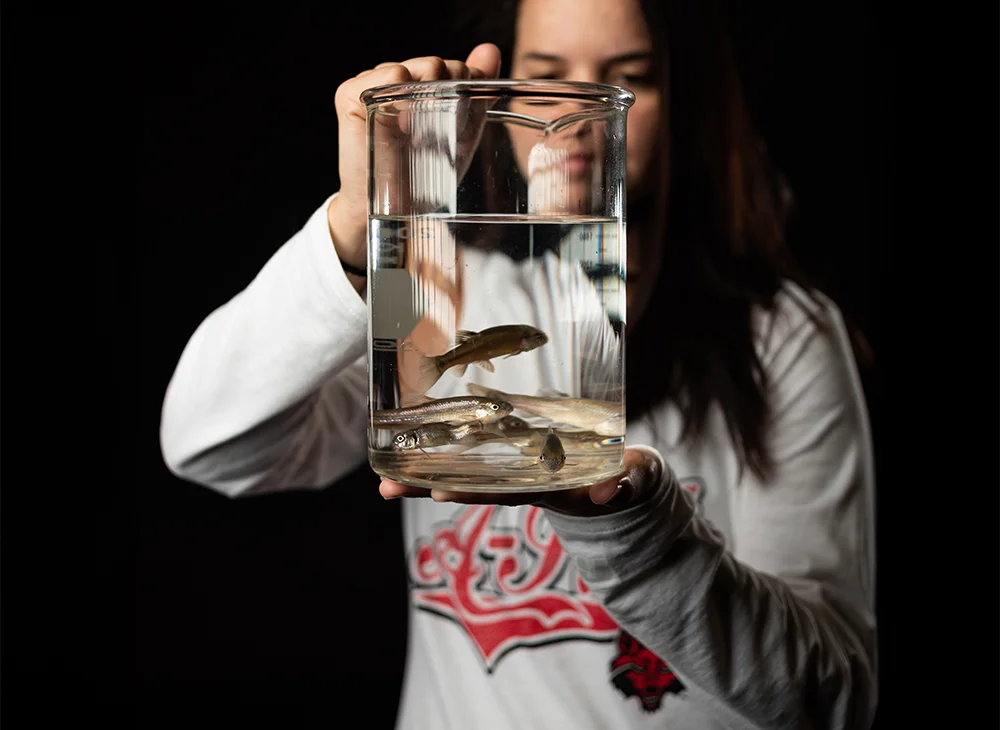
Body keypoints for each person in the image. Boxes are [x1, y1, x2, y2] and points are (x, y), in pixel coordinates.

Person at [159, 0, 878, 728]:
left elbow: (835, 699)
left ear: (682, 102)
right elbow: (210, 446)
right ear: (498, 102)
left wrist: (627, 524)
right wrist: (354, 225)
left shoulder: (782, 335)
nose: (575, 122)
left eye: (626, 78)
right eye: (543, 80)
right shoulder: (434, 297)